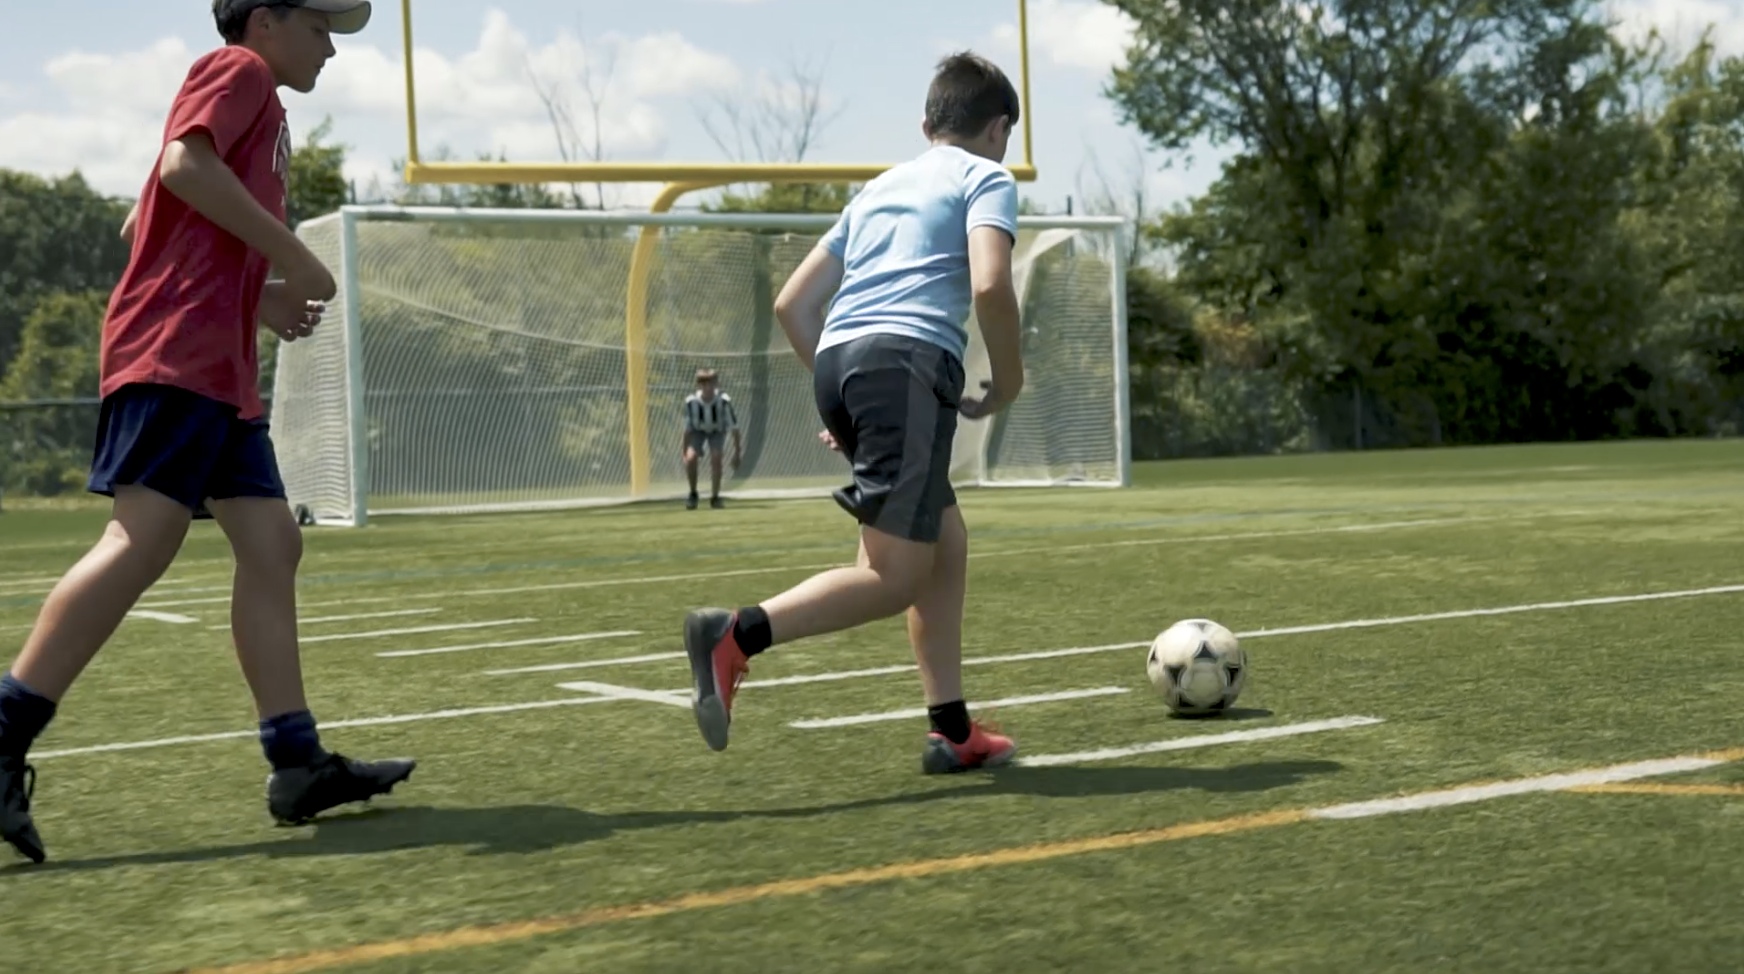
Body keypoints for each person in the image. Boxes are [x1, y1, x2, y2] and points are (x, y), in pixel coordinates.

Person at [0, 0, 414, 865]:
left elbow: (143, 218)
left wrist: (255, 295)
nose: (332, 47)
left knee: (270, 543)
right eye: (320, 26)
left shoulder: (264, 105)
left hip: (215, 366)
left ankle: (296, 763)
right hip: (176, 352)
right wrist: (294, 260)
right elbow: (182, 167)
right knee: (142, 537)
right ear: (264, 21)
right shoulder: (241, 73)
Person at [680, 52, 1027, 774]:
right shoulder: (986, 176)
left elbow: (793, 305)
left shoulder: (877, 190)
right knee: (893, 573)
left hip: (841, 360)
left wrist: (851, 400)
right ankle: (735, 636)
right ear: (998, 129)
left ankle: (951, 729)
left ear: (926, 122)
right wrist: (1010, 382)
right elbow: (991, 284)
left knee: (946, 542)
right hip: (907, 362)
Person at [681, 368, 743, 510]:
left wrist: (737, 453)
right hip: (698, 431)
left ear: (716, 384)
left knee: (716, 457)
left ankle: (715, 497)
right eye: (703, 383)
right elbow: (687, 429)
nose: (707, 387)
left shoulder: (723, 401)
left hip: (717, 431)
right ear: (698, 385)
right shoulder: (691, 403)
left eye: (710, 383)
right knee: (691, 459)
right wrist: (684, 451)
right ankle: (693, 494)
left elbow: (735, 428)